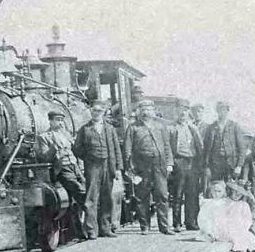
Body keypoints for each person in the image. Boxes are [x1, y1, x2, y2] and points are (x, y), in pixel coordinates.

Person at [73, 101, 124, 239]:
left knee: (107, 197)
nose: (96, 113)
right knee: (91, 198)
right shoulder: (84, 129)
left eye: (99, 111)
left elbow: (116, 149)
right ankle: (91, 231)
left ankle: (105, 228)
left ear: (104, 113)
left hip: (108, 164)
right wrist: (88, 158)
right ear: (91, 112)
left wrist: (118, 168)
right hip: (93, 166)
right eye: (94, 110)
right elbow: (77, 148)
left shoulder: (110, 129)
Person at [124, 99, 175, 235]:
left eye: (149, 109)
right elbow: (127, 149)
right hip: (141, 166)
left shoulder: (160, 126)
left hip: (159, 165)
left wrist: (169, 163)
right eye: (144, 109)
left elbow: (166, 146)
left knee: (162, 195)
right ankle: (144, 226)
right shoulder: (133, 127)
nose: (146, 112)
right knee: (142, 196)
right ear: (140, 112)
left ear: (153, 111)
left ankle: (164, 227)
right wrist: (130, 167)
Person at [35, 110, 87, 239]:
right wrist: (53, 148)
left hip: (75, 167)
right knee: (82, 193)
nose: (60, 123)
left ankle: (80, 231)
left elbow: (76, 152)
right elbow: (44, 158)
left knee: (75, 201)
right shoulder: (44, 137)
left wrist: (80, 168)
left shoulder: (66, 135)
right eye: (57, 120)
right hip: (62, 169)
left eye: (61, 120)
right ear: (50, 121)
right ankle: (91, 228)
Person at [197, 180, 255, 252]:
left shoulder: (243, 205)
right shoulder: (224, 202)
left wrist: (242, 228)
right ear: (230, 191)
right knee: (237, 239)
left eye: (240, 193)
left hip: (238, 229)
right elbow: (218, 218)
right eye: (235, 192)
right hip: (224, 229)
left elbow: (247, 220)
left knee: (249, 238)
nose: (237, 195)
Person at [169, 99, 204, 232]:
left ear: (189, 111)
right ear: (176, 111)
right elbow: (169, 148)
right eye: (180, 110)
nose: (183, 112)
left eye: (185, 110)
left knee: (192, 194)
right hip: (179, 161)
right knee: (178, 194)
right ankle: (176, 223)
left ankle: (191, 222)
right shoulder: (172, 128)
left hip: (193, 162)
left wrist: (200, 165)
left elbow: (200, 147)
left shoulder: (193, 128)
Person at [203, 101, 246, 197]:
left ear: (228, 111)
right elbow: (206, 150)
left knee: (231, 191)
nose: (222, 112)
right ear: (217, 111)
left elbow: (242, 148)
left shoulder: (234, 126)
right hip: (215, 165)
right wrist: (207, 166)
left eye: (224, 110)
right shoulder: (211, 128)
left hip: (231, 165)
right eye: (219, 110)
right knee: (216, 190)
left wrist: (239, 166)